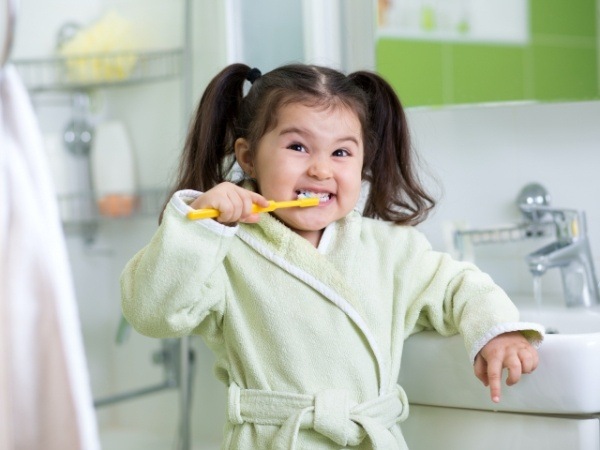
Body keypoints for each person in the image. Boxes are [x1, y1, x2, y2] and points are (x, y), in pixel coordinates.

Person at [121, 63, 544, 449]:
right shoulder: (223, 250)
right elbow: (151, 312)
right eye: (298, 147)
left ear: (362, 163)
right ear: (248, 157)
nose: (322, 169)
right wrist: (200, 226)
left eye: (341, 152)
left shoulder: (391, 249)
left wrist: (496, 330)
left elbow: (459, 286)